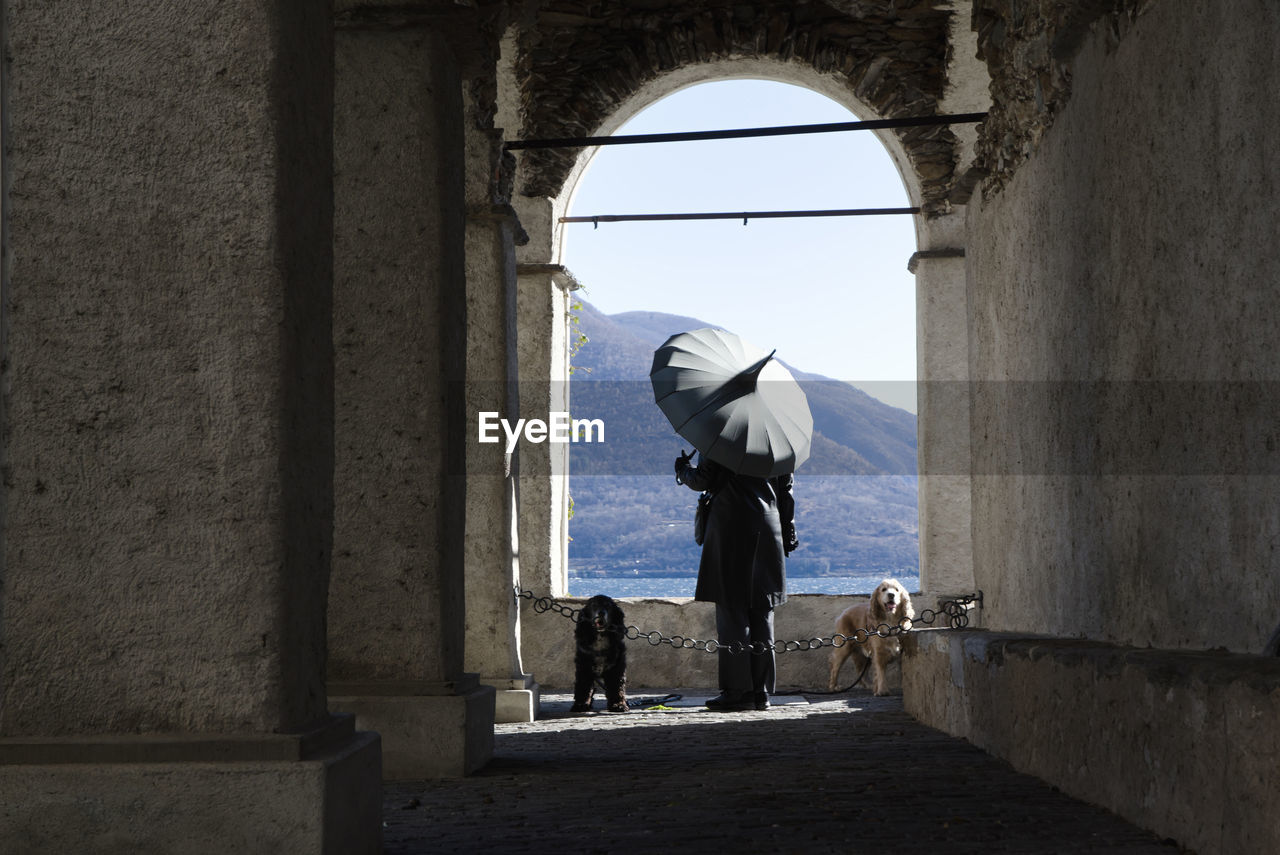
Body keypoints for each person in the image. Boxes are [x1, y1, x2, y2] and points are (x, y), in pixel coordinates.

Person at [676, 450, 798, 711]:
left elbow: (702, 480)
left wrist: (682, 469)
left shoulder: (721, 438)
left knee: (732, 611)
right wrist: (787, 530)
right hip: (768, 527)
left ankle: (737, 691)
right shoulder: (777, 442)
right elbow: (785, 491)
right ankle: (761, 692)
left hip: (731, 525)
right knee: (762, 612)